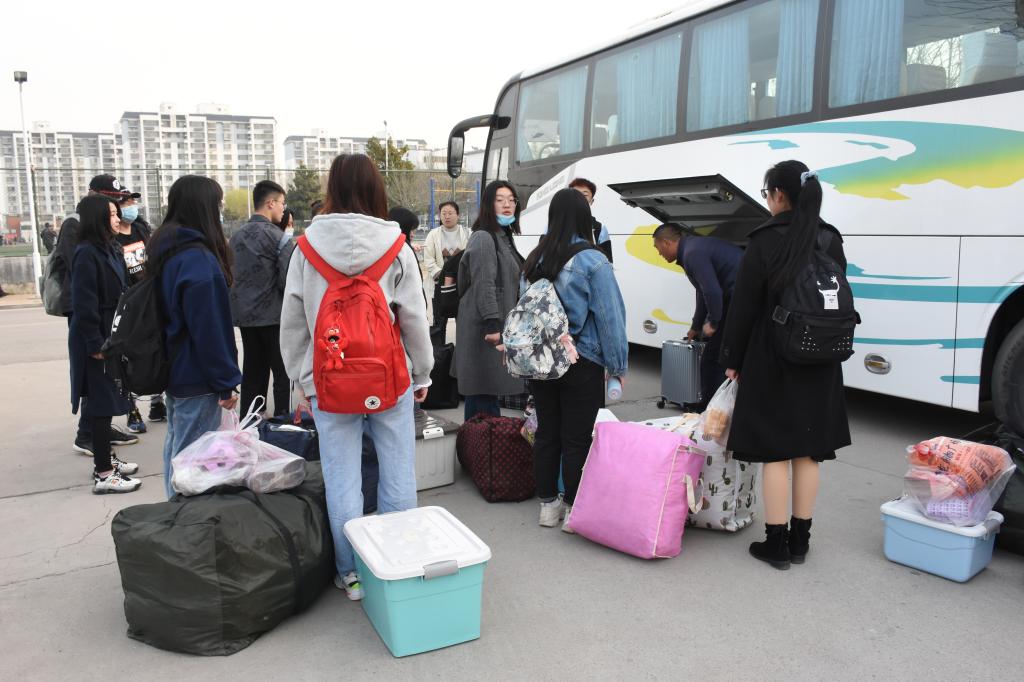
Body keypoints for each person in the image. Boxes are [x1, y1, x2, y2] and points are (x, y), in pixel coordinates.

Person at [280, 154, 432, 601]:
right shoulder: (396, 247)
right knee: (398, 472)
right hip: (390, 379)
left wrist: (303, 381)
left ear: (332, 188)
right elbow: (414, 318)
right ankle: (397, 562)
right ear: (375, 189)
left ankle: (351, 574)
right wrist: (422, 372)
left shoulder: (306, 249)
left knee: (342, 479)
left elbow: (294, 324)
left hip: (330, 382)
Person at [720, 160, 852, 570]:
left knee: (775, 450)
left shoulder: (764, 239)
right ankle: (800, 541)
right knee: (809, 452)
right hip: (822, 355)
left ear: (778, 194)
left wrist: (732, 358)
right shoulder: (830, 238)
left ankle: (775, 544)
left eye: (767, 194)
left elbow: (743, 306)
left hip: (772, 355)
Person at [523, 188, 628, 532]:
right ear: (585, 217)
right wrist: (618, 366)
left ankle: (547, 505)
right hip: (582, 360)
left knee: (547, 433)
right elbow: (611, 318)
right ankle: (572, 508)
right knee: (577, 437)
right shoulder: (593, 260)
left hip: (542, 362)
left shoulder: (535, 258)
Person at [147, 175, 242, 499]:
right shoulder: (198, 261)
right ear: (204, 208)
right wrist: (226, 381)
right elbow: (210, 330)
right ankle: (184, 521)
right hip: (197, 376)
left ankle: (173, 510)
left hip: (175, 370)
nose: (219, 211)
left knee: (177, 449)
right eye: (217, 205)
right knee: (193, 462)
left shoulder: (166, 251)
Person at [59, 175, 141, 455]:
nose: (119, 213)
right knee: (98, 386)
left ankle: (102, 440)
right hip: (92, 320)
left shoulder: (110, 244)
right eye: (113, 208)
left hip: (109, 321)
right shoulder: (82, 240)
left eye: (118, 205)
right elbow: (85, 292)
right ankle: (94, 445)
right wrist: (94, 340)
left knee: (108, 386)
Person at [454, 181, 527, 419]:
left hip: (493, 325)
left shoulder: (502, 236)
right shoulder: (484, 238)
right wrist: (492, 324)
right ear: (488, 204)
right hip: (485, 328)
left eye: (512, 200)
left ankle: (479, 439)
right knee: (483, 390)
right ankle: (482, 440)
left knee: (484, 392)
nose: (507, 204)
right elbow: (484, 284)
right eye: (500, 199)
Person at [652, 222, 742, 410]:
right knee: (717, 354)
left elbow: (712, 291)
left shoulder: (692, 253)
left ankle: (710, 408)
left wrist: (714, 322)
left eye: (657, 247)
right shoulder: (692, 250)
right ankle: (713, 405)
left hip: (739, 297)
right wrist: (696, 326)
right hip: (735, 297)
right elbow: (702, 292)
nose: (658, 253)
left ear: (667, 243)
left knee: (713, 358)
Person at [229, 180, 291, 417]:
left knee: (253, 370)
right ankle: (282, 420)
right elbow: (287, 280)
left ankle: (249, 420)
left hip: (245, 317)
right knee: (281, 372)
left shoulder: (236, 237)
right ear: (270, 203)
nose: (284, 209)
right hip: (274, 317)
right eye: (282, 203)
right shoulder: (279, 238)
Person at [113, 194, 167, 431]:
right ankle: (132, 410)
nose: (130, 207)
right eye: (125, 203)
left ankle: (157, 403)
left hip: (149, 297)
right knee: (129, 355)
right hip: (127, 302)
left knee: (156, 349)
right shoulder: (112, 237)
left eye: (132, 202)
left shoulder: (141, 230)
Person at [423, 200, 470, 339]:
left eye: (450, 213)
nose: (447, 216)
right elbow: (428, 259)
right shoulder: (433, 234)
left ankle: (461, 350)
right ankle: (439, 350)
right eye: (444, 213)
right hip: (439, 286)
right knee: (439, 323)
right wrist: (442, 276)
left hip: (461, 287)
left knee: (463, 323)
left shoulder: (467, 233)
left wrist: (459, 277)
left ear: (458, 215)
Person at [569, 178, 612, 261]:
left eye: (584, 195)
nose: (579, 199)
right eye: (575, 195)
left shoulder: (600, 228)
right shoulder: (554, 225)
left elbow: (608, 262)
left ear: (592, 201)